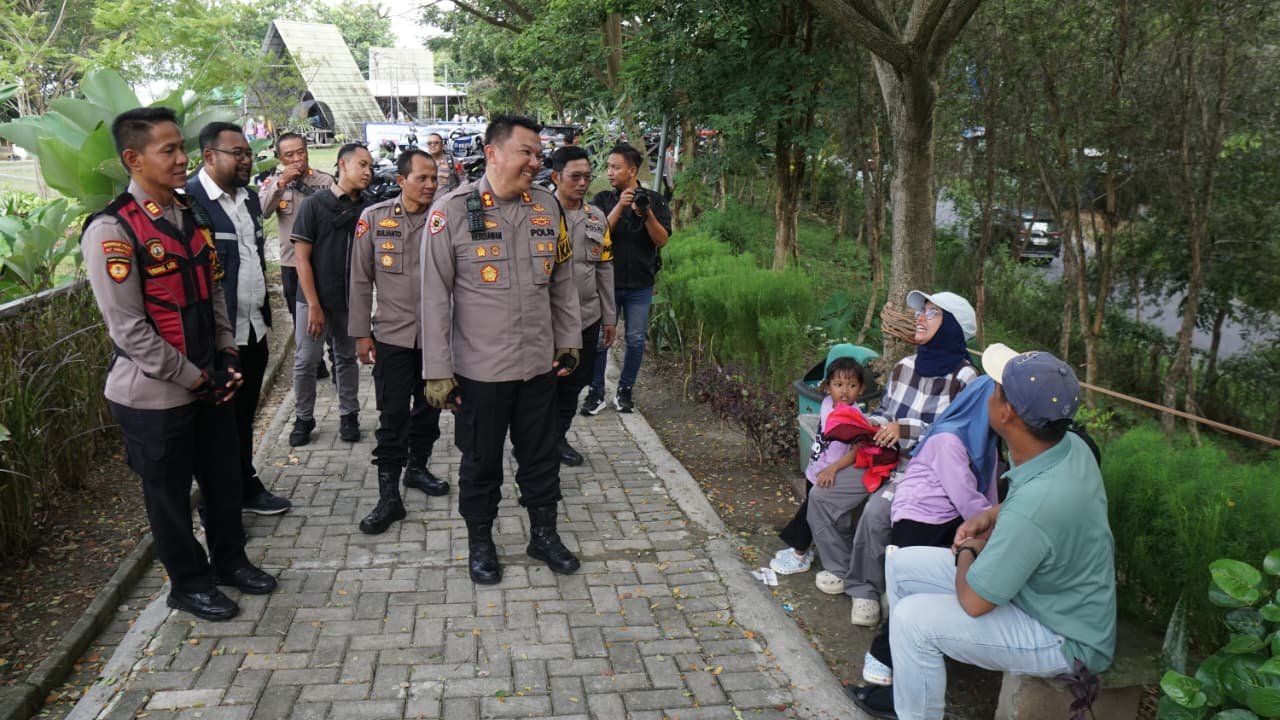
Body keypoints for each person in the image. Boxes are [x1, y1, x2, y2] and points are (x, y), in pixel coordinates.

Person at [850, 345, 1115, 720]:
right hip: (1044, 591)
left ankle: (916, 711)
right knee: (902, 564)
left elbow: (974, 601)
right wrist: (993, 514)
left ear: (1007, 413)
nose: (988, 393)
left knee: (912, 621)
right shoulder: (1070, 446)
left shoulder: (1036, 506)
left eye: (996, 389)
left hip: (1063, 634)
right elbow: (1035, 507)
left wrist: (968, 550)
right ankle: (911, 689)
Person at [83, 107, 276, 621]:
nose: (181, 158)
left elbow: (213, 292)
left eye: (180, 148)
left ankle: (230, 562)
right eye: (167, 150)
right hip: (156, 395)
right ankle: (189, 584)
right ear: (133, 158)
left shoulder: (189, 213)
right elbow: (129, 330)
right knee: (168, 497)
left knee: (224, 480)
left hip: (209, 381)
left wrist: (227, 351)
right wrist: (195, 377)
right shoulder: (112, 229)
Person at [420, 114, 582, 585]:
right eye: (525, 152)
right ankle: (481, 543)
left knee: (541, 458)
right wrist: (437, 370)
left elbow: (563, 282)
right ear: (492, 153)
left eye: (539, 153)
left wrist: (569, 339)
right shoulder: (451, 211)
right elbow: (434, 296)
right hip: (480, 372)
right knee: (480, 462)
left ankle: (543, 535)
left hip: (538, 366)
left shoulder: (548, 207)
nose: (535, 161)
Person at [809, 290, 978, 629]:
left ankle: (866, 591)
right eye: (921, 311)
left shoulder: (966, 379)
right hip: (878, 456)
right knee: (822, 495)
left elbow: (952, 437)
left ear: (953, 327)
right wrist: (866, 424)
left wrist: (904, 430)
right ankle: (843, 569)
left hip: (919, 471)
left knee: (876, 514)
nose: (920, 318)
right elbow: (885, 412)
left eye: (932, 313)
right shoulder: (904, 367)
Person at [855, 375, 1000, 688]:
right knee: (913, 590)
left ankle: (923, 645)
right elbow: (969, 500)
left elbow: (988, 499)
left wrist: (994, 525)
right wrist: (998, 526)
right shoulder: (948, 440)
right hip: (919, 516)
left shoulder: (987, 444)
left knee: (941, 584)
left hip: (951, 517)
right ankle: (881, 655)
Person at [185, 122, 291, 516]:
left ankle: (245, 484)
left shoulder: (248, 199)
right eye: (238, 153)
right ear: (209, 156)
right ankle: (218, 503)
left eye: (248, 152)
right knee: (216, 426)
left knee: (245, 415)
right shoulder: (189, 203)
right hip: (217, 339)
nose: (247, 159)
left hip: (253, 329)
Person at [348, 149, 450, 535]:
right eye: (421, 178)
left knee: (429, 409)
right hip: (392, 336)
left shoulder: (446, 219)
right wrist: (361, 333)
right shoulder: (374, 219)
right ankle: (388, 497)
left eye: (434, 178)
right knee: (392, 417)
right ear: (401, 180)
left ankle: (417, 468)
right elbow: (360, 280)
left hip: (437, 337)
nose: (430, 185)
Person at [289, 142, 373, 447]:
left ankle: (349, 415)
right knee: (306, 361)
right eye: (362, 164)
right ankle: (303, 418)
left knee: (346, 358)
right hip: (313, 300)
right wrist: (313, 304)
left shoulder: (368, 209)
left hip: (349, 301)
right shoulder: (313, 205)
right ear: (343, 164)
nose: (368, 171)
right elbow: (301, 259)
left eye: (371, 166)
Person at [581, 142, 671, 415]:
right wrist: (620, 206)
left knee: (635, 340)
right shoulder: (602, 200)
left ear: (632, 171)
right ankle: (596, 392)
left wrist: (647, 214)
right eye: (608, 167)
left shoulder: (654, 200)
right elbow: (597, 235)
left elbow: (662, 240)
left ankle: (625, 391)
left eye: (615, 167)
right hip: (606, 284)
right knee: (600, 340)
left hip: (640, 284)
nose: (609, 172)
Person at [771, 352, 868, 575]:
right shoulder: (827, 404)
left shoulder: (853, 417)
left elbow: (857, 450)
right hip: (815, 471)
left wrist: (833, 469)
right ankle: (807, 549)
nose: (845, 391)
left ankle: (799, 555)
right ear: (827, 387)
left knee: (809, 515)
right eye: (838, 385)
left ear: (861, 389)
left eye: (852, 385)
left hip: (829, 476)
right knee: (810, 513)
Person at [549, 146, 615, 466]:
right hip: (548, 320)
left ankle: (558, 438)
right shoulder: (540, 215)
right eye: (575, 176)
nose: (582, 183)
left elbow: (605, 268)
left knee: (574, 383)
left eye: (587, 177)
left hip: (587, 317)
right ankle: (537, 441)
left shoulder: (596, 217)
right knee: (546, 385)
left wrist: (610, 318)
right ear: (556, 176)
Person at [259, 133, 334, 324]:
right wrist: (281, 184)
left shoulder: (326, 181)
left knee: (330, 318)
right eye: (289, 155)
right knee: (300, 320)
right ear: (280, 158)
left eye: (301, 152)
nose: (297, 159)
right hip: (291, 263)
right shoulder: (273, 183)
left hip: (323, 261)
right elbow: (264, 212)